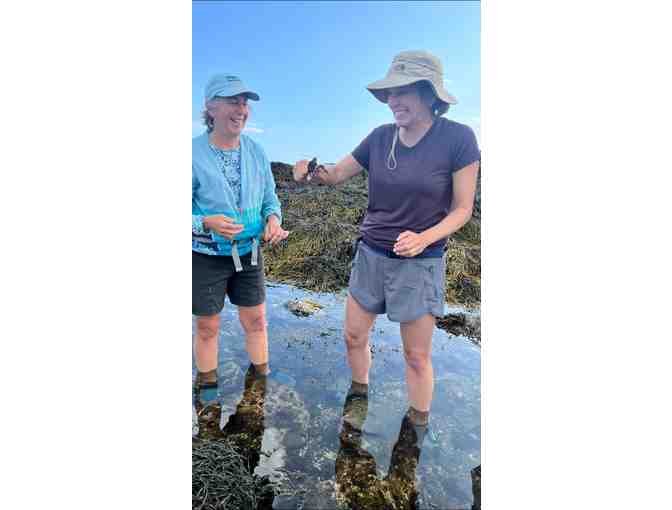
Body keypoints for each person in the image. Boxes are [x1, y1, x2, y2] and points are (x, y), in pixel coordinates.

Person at [293, 50, 480, 434]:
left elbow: (462, 210)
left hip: (420, 262)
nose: (393, 100)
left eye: (404, 90)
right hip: (370, 254)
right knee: (353, 336)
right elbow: (336, 174)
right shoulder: (379, 138)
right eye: (389, 92)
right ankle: (359, 394)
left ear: (430, 94)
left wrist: (423, 238)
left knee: (415, 356)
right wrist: (309, 174)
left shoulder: (459, 139)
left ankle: (416, 430)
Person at [192, 73, 288, 398]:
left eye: (244, 103)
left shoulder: (256, 152)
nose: (241, 109)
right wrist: (207, 222)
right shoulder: (190, 154)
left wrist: (272, 221)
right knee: (207, 328)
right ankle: (206, 390)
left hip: (249, 253)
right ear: (211, 106)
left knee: (258, 321)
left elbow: (270, 200)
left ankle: (261, 383)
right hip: (205, 255)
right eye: (233, 101)